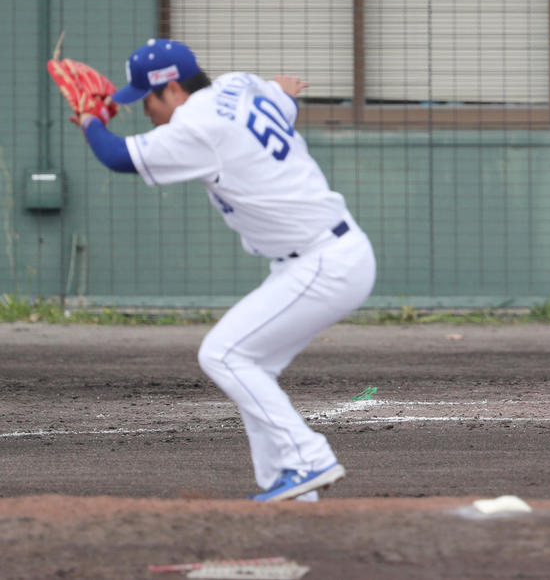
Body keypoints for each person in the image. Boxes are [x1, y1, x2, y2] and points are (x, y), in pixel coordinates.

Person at [75, 38, 376, 501]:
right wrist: (285, 90)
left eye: (146, 100)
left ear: (171, 89)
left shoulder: (196, 125)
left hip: (323, 262)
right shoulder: (239, 85)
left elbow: (117, 157)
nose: (145, 111)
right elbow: (280, 98)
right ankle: (289, 487)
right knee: (250, 363)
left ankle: (311, 458)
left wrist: (91, 121)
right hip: (330, 253)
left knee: (223, 354)